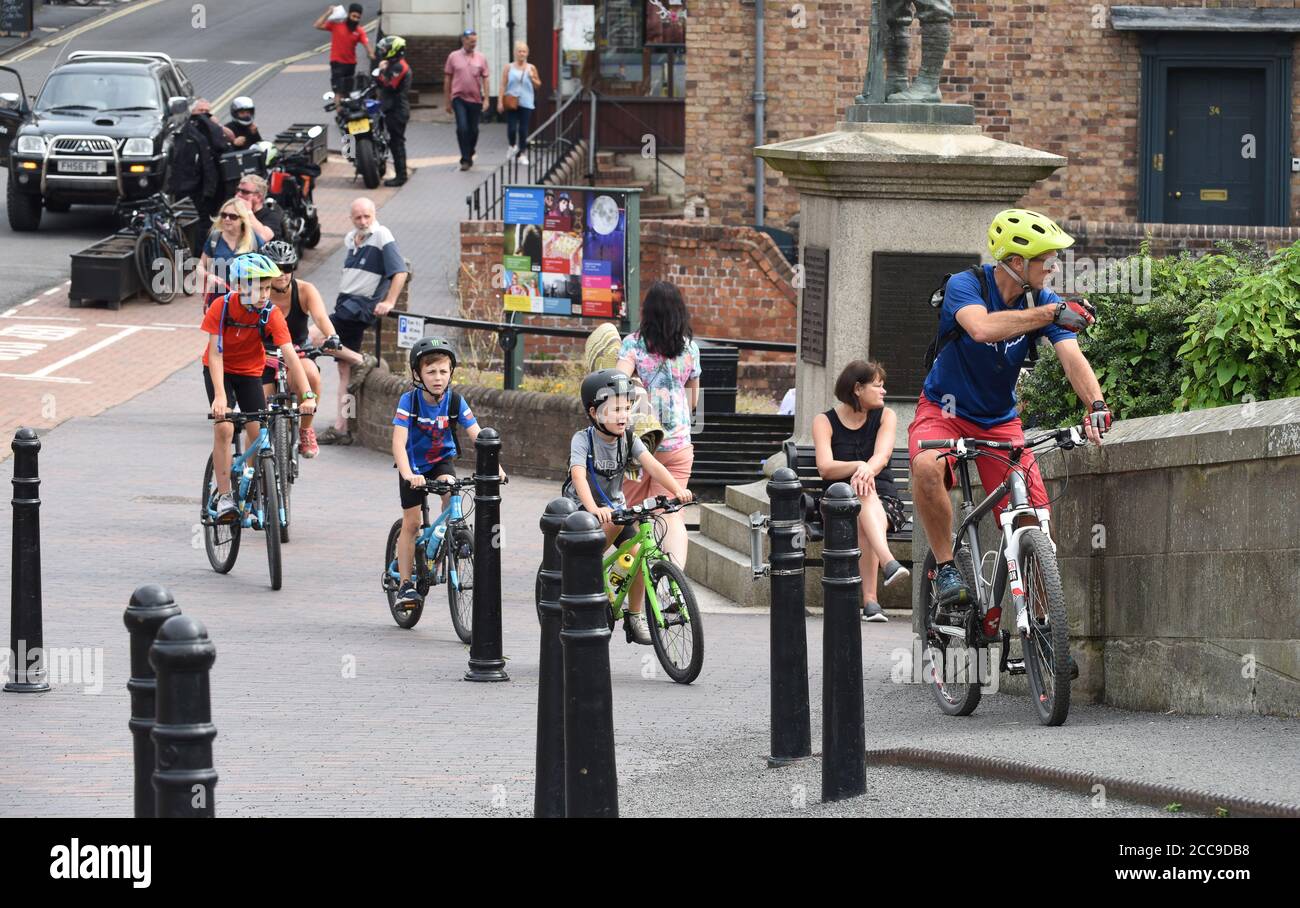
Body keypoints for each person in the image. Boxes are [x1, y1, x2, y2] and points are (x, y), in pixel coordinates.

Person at [909, 209, 1108, 620]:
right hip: (944, 411)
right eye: (1045, 259)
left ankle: (1042, 632)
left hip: (999, 419)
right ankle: (946, 568)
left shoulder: (1043, 301)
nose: (1052, 267)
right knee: (927, 467)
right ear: (1016, 263)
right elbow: (981, 329)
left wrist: (1096, 405)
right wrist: (1049, 315)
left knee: (1033, 524)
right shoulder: (967, 285)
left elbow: (1071, 357)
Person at [565, 369, 693, 645]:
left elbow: (654, 466)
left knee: (638, 556)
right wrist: (592, 508)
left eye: (626, 408)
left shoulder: (629, 439)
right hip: (583, 512)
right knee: (593, 553)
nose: (623, 415)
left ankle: (635, 616)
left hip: (618, 511)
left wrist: (677, 491)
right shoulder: (582, 440)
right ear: (594, 412)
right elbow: (578, 475)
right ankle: (585, 582)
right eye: (615, 410)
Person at [202, 253, 316, 523]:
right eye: (259, 288)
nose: (266, 294)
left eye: (268, 287)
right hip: (220, 370)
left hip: (250, 372)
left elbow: (290, 354)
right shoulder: (222, 307)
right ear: (240, 286)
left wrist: (308, 394)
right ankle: (225, 494)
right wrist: (220, 397)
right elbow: (215, 354)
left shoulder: (270, 313)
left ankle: (249, 488)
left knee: (258, 431)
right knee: (225, 426)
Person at [391, 338, 488, 607]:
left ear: (451, 373)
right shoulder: (409, 402)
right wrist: (409, 474)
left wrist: (496, 468)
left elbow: (478, 436)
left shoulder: (455, 401)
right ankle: (405, 585)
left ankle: (452, 535)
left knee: (451, 488)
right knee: (411, 523)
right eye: (431, 371)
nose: (438, 377)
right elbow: (398, 442)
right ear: (417, 374)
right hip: (412, 465)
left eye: (443, 371)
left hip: (439, 461)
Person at [813, 360, 910, 622]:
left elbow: (883, 454)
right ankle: (881, 577)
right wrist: (859, 466)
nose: (884, 391)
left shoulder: (886, 416)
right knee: (860, 496)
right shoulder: (824, 421)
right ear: (857, 389)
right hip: (838, 504)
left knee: (864, 497)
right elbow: (825, 468)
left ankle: (872, 597)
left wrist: (867, 469)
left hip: (885, 502)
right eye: (877, 386)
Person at [616, 281, 699, 584]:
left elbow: (618, 382)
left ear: (646, 312)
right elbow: (694, 401)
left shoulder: (633, 344)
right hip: (678, 444)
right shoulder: (690, 349)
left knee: (635, 516)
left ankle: (633, 583)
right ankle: (674, 582)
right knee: (671, 512)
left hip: (641, 443)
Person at [260, 240, 367, 457]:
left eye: (287, 268)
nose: (282, 274)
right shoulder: (257, 292)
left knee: (311, 374)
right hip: (264, 354)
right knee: (261, 408)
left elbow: (319, 317)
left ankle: (305, 429)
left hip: (298, 352)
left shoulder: (305, 290)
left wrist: (332, 336)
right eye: (276, 268)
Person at [316, 198, 403, 446]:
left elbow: (400, 272)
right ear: (351, 218)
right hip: (345, 304)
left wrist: (390, 302)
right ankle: (342, 427)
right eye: (358, 218)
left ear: (375, 214)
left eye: (367, 216)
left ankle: (361, 360)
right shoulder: (352, 240)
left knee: (317, 336)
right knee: (343, 370)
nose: (363, 221)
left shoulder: (382, 235)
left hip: (358, 307)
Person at [169, 99, 230, 256]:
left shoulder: (198, 131)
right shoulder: (195, 131)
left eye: (206, 111)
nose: (203, 115)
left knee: (196, 226)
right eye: (200, 111)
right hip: (193, 190)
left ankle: (195, 258)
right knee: (197, 225)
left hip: (196, 190)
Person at [196, 197, 264, 306]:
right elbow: (200, 266)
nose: (227, 219)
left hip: (247, 300)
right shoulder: (215, 238)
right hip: (219, 299)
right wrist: (208, 276)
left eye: (233, 216)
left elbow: (267, 270)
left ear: (242, 219)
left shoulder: (254, 240)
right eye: (224, 215)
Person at [444, 28, 490, 171]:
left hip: (475, 99)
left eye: (475, 42)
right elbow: (447, 78)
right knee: (462, 128)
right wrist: (447, 100)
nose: (473, 44)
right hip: (459, 98)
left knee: (474, 130)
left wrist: (487, 99)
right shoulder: (453, 56)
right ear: (463, 40)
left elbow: (486, 78)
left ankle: (470, 151)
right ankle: (465, 159)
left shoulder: (481, 58)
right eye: (471, 42)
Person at [374, 35, 412, 187]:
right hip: (391, 109)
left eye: (385, 49)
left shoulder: (400, 67)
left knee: (397, 143)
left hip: (397, 110)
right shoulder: (394, 64)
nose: (383, 51)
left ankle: (401, 176)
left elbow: (389, 84)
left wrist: (382, 70)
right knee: (393, 141)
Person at [498, 41, 540, 164]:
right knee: (511, 128)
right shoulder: (508, 67)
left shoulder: (531, 68)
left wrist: (532, 78)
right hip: (511, 101)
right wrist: (500, 101)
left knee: (523, 129)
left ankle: (522, 153)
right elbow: (503, 85)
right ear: (515, 53)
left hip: (526, 102)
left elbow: (538, 85)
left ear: (527, 53)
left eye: (524, 51)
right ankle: (512, 146)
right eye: (519, 51)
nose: (521, 53)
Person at [315, 3, 370, 95]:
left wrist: (371, 54)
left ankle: (345, 107)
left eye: (358, 17)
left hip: (351, 64)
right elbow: (317, 25)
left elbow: (366, 44)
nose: (355, 19)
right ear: (349, 14)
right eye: (354, 16)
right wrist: (328, 13)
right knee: (338, 89)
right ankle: (339, 108)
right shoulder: (336, 25)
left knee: (348, 89)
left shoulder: (359, 31)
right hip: (337, 63)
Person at [233, 174, 283, 243]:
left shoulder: (271, 216)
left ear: (259, 197)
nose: (238, 195)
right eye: (238, 190)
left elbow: (264, 236)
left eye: (245, 192)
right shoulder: (231, 212)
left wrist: (248, 211)